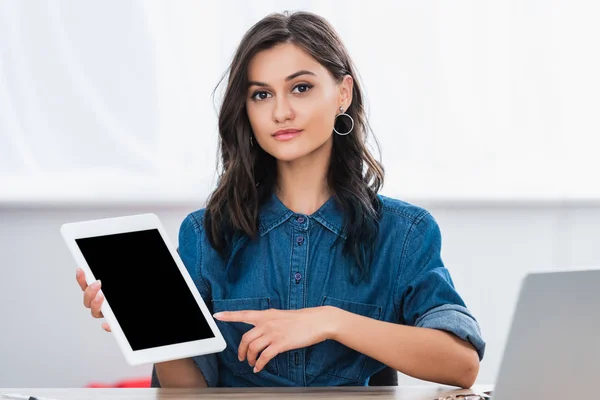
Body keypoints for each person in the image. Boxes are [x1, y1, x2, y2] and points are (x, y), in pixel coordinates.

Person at [75, 10, 485, 389]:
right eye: (261, 95)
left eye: (301, 88)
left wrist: (329, 321)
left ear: (343, 93)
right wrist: (152, 330)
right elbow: (189, 395)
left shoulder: (404, 233)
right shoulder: (206, 234)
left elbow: (461, 363)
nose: (281, 112)